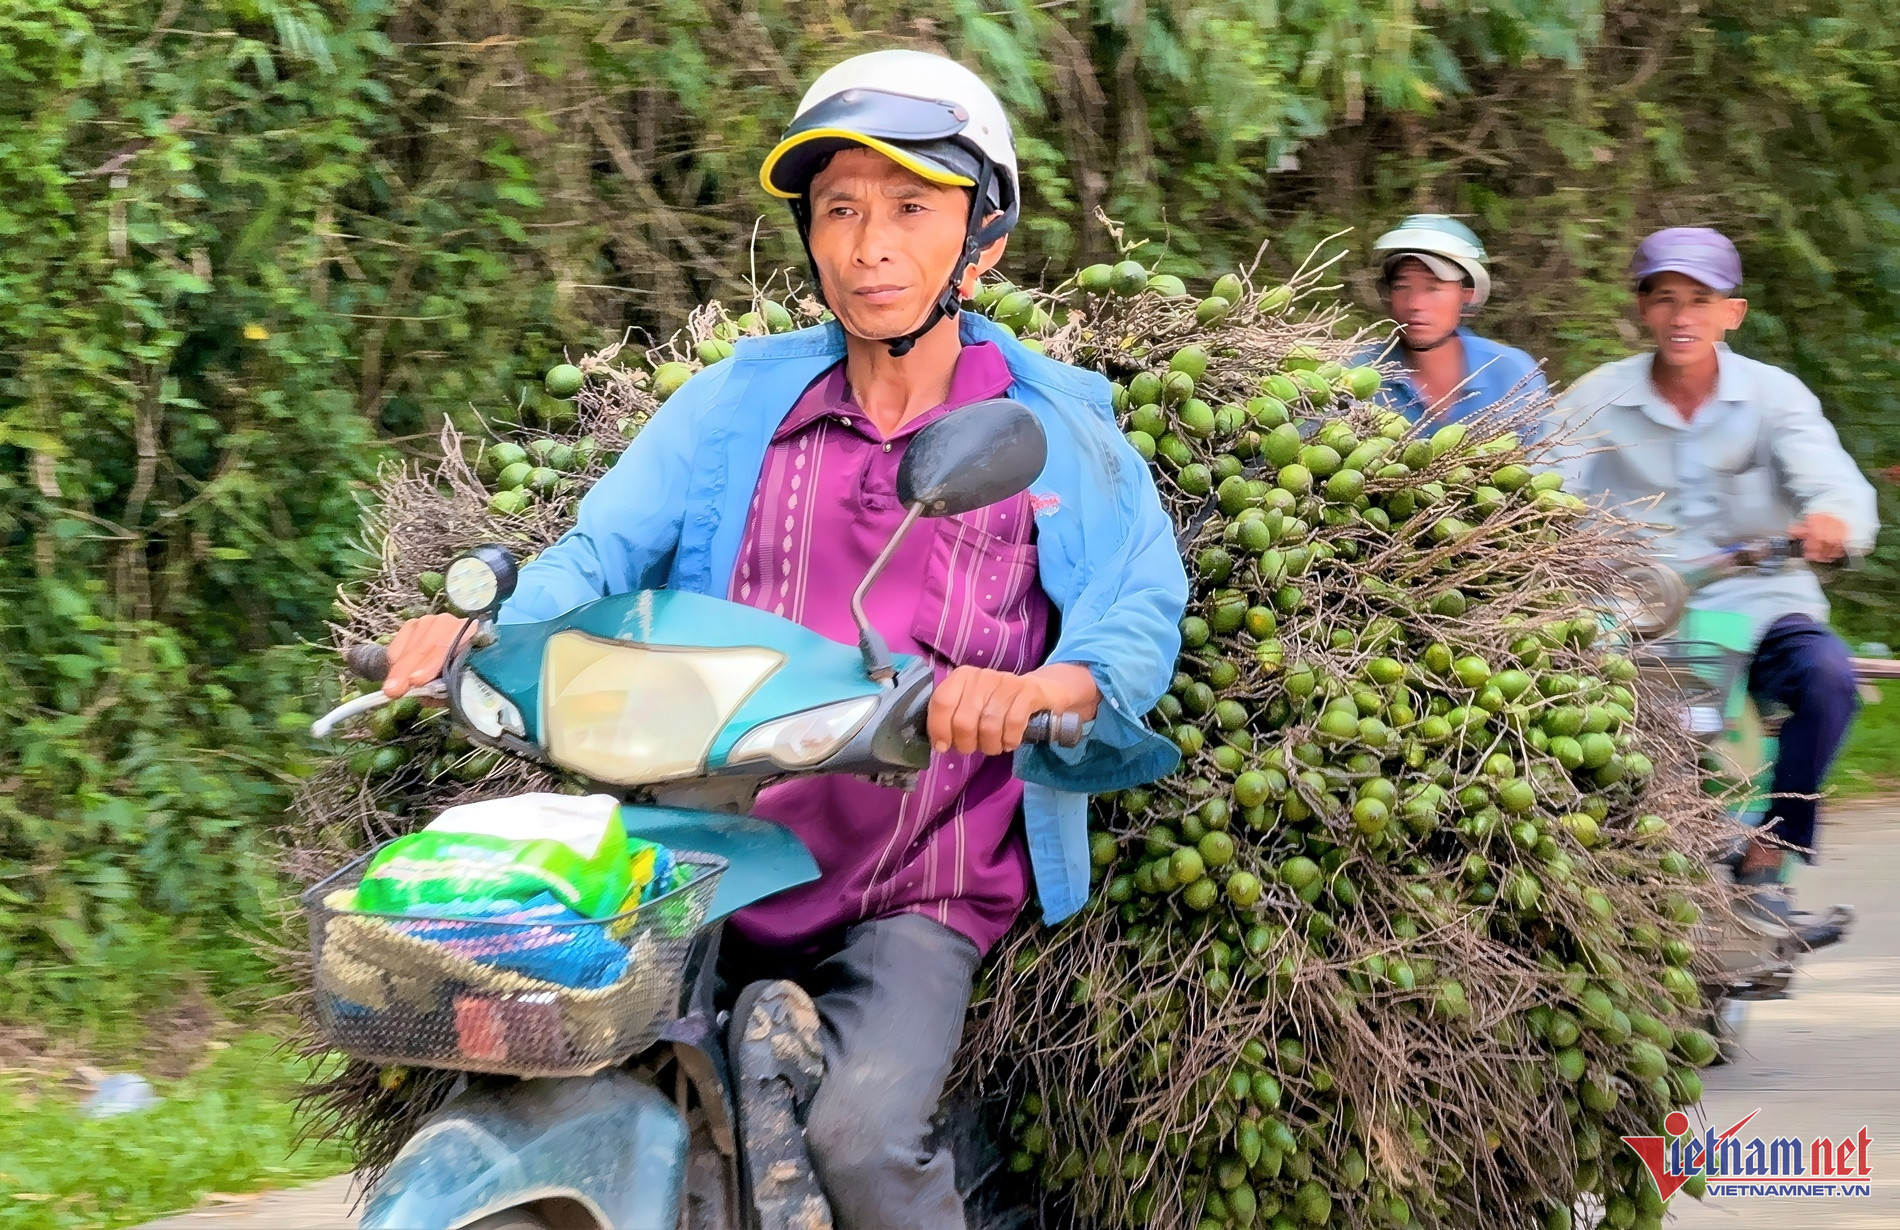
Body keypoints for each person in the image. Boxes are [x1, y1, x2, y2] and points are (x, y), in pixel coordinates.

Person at [377, 49, 1187, 1230]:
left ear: (984, 238)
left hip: (917, 879)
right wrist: (479, 628)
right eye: (840, 210)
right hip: (711, 849)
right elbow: (600, 554)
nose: (869, 248)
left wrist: (1044, 687)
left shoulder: (1053, 427)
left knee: (859, 1144)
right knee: (541, 1045)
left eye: (911, 211)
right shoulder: (733, 406)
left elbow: (1136, 602)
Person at [1553, 226, 1878, 946]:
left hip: (1762, 604)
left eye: (1700, 300)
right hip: (1647, 616)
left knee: (1828, 680)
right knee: (1640, 737)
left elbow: (1834, 482)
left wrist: (1833, 519)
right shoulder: (1598, 397)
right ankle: (1641, 876)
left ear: (1732, 313)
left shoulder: (1773, 397)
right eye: (1665, 298)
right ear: (1641, 308)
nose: (1682, 316)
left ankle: (1769, 855)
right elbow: (1546, 484)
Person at [1367, 214, 1547, 424]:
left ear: (1467, 293)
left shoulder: (1512, 373)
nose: (1414, 304)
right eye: (1401, 287)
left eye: (1433, 288)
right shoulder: (1355, 373)